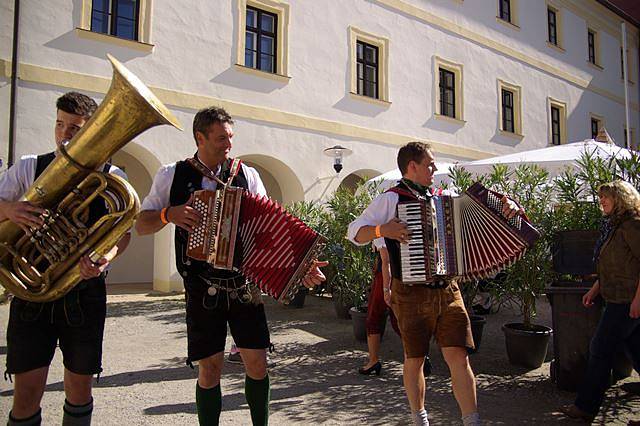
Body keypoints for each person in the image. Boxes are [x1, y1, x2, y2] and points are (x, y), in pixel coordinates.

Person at [135, 106, 326, 425]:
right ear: (200, 137)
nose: (229, 145)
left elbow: (271, 226)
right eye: (222, 138)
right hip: (200, 285)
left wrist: (301, 266)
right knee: (209, 369)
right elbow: (141, 224)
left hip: (243, 286)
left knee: (258, 364)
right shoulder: (172, 174)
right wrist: (170, 214)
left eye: (230, 137)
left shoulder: (247, 174)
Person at [347, 142, 521, 426]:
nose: (434, 169)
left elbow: (488, 206)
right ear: (412, 166)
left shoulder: (445, 197)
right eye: (429, 164)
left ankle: (471, 420)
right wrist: (383, 229)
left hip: (448, 291)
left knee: (460, 356)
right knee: (414, 358)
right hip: (410, 293)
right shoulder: (391, 199)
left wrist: (508, 204)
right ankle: (420, 418)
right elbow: (354, 232)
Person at [1, 91, 131, 425]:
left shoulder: (114, 176)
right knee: (26, 394)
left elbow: (123, 233)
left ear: (92, 130)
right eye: (60, 124)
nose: (64, 133)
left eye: (75, 127)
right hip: (33, 293)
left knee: (79, 389)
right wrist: (8, 209)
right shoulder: (31, 166)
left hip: (83, 294)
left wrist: (104, 257)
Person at [560, 180, 640, 423]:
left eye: (606, 197)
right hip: (617, 297)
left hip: (627, 301)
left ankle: (585, 407)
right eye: (600, 197)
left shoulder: (633, 225)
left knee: (599, 349)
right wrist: (595, 290)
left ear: (621, 199)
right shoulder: (615, 226)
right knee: (637, 353)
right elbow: (614, 266)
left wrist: (638, 301)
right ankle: (586, 406)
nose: (601, 201)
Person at [359, 240, 433, 376]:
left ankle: (374, 361)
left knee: (374, 317)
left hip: (387, 277)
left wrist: (386, 289)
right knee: (400, 319)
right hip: (405, 274)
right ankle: (418, 355)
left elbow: (386, 260)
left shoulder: (381, 225)